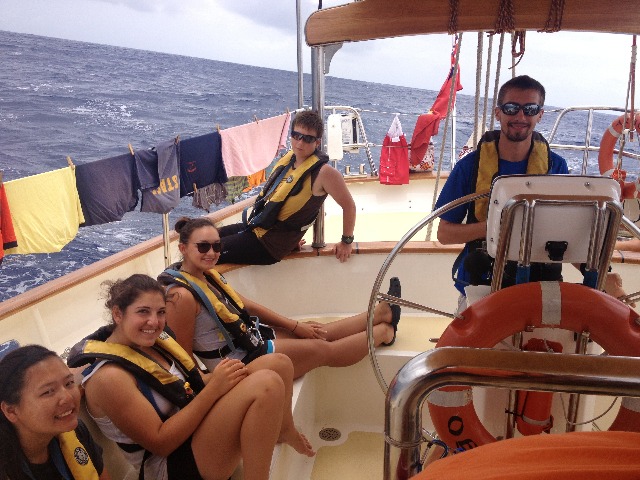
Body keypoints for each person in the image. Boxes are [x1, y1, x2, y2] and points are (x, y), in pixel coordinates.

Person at [67, 274, 313, 480]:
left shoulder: (151, 344)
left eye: (161, 312)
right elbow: (161, 443)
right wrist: (214, 389)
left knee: (279, 363)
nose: (154, 322)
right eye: (143, 312)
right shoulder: (109, 378)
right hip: (168, 466)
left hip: (193, 432)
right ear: (118, 314)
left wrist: (218, 377)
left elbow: (185, 387)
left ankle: (285, 430)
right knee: (267, 384)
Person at [434, 74, 626, 311]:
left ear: (540, 115)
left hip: (541, 282)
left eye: (530, 109)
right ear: (498, 113)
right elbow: (445, 234)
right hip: (482, 281)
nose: (520, 117)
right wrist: (499, 227)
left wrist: (600, 274)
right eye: (511, 108)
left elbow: (566, 236)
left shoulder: (556, 167)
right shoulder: (469, 167)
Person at [158, 216, 402, 380]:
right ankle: (384, 332)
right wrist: (209, 384)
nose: (211, 253)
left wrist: (294, 326)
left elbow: (246, 305)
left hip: (247, 341)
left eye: (217, 246)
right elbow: (183, 355)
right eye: (203, 247)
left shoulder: (204, 276)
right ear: (183, 248)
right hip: (241, 363)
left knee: (315, 331)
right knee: (321, 348)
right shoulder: (181, 297)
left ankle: (380, 314)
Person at [216, 110, 357, 265]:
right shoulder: (290, 160)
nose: (300, 143)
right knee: (208, 235)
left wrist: (346, 242)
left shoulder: (325, 173)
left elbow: (349, 206)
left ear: (317, 143)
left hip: (269, 246)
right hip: (256, 228)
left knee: (209, 249)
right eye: (296, 135)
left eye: (308, 139)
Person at [0, 344, 109, 480]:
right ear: (11, 411)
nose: (67, 397)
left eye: (69, 383)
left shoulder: (75, 432)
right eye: (48, 391)